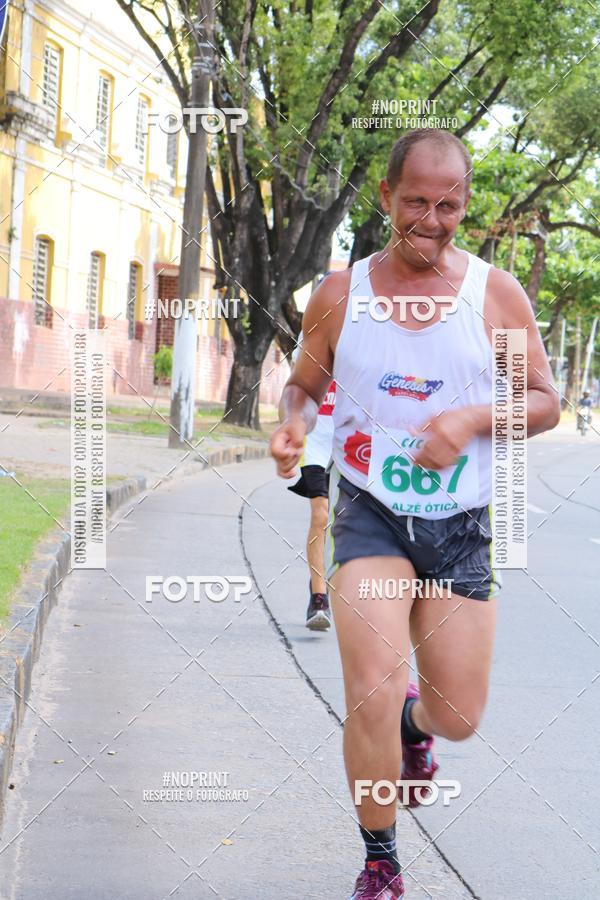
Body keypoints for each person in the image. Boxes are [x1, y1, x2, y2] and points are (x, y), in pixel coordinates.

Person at [270, 128, 560, 898]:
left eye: (449, 205)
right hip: (370, 512)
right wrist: (295, 423)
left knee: (457, 714)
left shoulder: (493, 295)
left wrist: (466, 422)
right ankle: (380, 861)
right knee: (371, 682)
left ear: (467, 205)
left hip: (459, 526)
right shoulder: (342, 294)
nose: (431, 219)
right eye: (415, 202)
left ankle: (416, 729)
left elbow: (543, 401)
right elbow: (303, 381)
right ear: (385, 197)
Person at [285, 329, 336, 630]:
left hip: (351, 438)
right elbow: (296, 389)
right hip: (317, 437)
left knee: (347, 521)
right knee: (320, 515)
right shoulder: (316, 329)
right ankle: (319, 596)